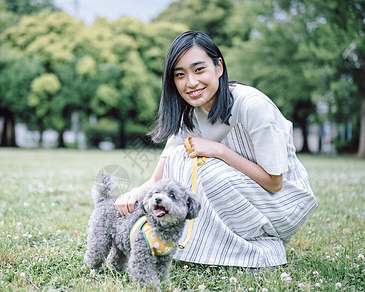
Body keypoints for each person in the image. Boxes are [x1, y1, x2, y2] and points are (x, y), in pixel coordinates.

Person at [115, 31, 317, 267]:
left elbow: (275, 182)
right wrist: (134, 194)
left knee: (205, 167)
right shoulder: (188, 115)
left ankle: (250, 250)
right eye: (180, 75)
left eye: (199, 70)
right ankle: (212, 247)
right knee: (181, 156)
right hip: (244, 198)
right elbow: (160, 176)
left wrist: (220, 151)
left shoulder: (252, 105)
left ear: (218, 67)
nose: (191, 83)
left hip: (282, 203)